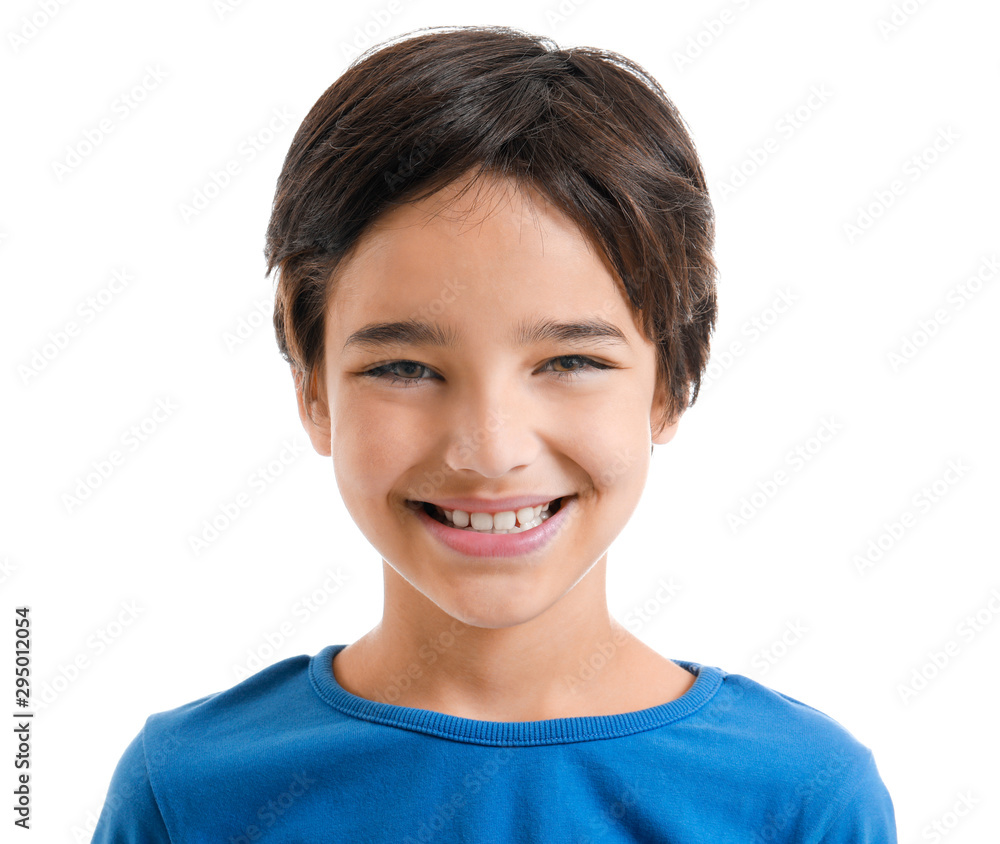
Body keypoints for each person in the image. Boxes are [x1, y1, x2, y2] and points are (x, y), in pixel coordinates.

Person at [92, 24, 897, 842]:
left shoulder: (801, 799)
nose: (490, 448)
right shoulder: (189, 795)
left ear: (672, 384)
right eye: (404, 368)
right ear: (312, 389)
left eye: (570, 360)